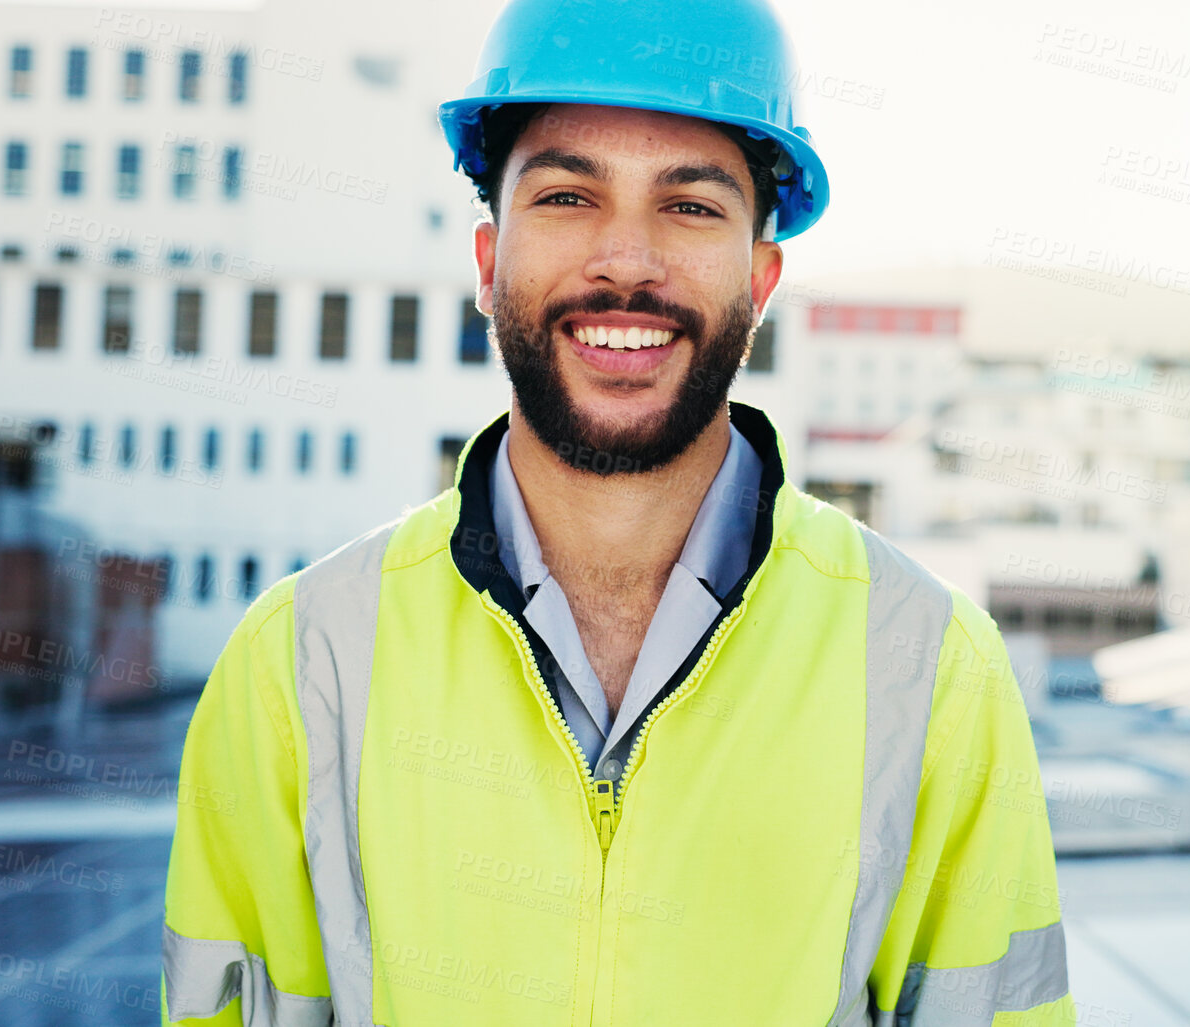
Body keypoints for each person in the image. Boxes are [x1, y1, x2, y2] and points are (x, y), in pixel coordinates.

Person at [160, 1, 1075, 1023]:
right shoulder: (301, 662)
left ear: (760, 279)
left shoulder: (932, 666)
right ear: (488, 260)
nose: (626, 261)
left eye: (689, 206)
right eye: (566, 195)